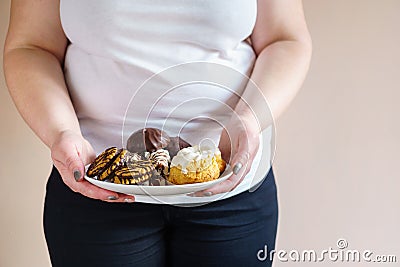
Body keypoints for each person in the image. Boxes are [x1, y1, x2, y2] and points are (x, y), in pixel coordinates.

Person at [3, 0, 312, 266]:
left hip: (231, 190)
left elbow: (284, 38)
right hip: (97, 182)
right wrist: (62, 131)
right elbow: (31, 45)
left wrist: (249, 119)